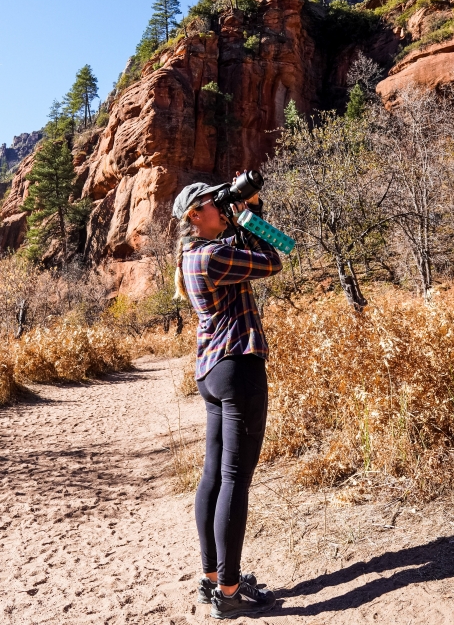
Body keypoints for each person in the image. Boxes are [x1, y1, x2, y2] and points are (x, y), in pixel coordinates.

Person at [172, 178, 282, 620]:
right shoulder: (215, 255)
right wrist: (252, 214)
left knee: (214, 477)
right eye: (211, 202)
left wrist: (242, 210)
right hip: (239, 369)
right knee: (235, 479)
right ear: (194, 216)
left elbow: (253, 249)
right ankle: (230, 591)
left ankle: (213, 578)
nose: (220, 203)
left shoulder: (193, 255)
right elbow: (276, 255)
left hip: (211, 371)